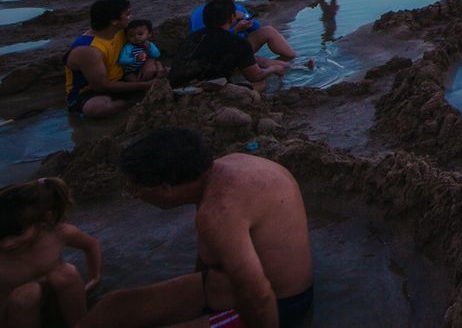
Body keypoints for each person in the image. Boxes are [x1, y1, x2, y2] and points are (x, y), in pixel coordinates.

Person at [81, 127, 314, 328]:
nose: (134, 195)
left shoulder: (219, 211)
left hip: (277, 306)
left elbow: (258, 296)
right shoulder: (221, 170)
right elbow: (207, 258)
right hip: (221, 287)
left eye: (136, 190)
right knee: (112, 308)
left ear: (166, 188)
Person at [0, 177, 101, 327]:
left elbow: (92, 245)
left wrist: (95, 278)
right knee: (28, 294)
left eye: (17, 233)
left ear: (42, 220)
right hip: (11, 314)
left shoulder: (57, 233)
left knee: (66, 273)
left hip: (49, 304)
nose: (6, 243)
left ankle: (79, 324)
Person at [64, 0, 156, 117]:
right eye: (127, 14)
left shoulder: (121, 32)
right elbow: (102, 86)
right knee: (98, 108)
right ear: (114, 21)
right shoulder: (89, 50)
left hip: (124, 77)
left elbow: (147, 46)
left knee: (163, 71)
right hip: (91, 91)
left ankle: (140, 96)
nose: (131, 17)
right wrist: (146, 85)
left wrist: (150, 63)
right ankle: (135, 102)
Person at [172, 0, 287, 89]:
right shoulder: (237, 42)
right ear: (232, 18)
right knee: (261, 83)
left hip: (175, 84)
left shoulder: (190, 38)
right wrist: (273, 69)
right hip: (204, 89)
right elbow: (255, 76)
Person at [191, 0, 297, 60]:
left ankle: (293, 58)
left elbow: (256, 28)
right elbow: (207, 42)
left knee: (268, 31)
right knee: (263, 63)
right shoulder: (202, 13)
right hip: (216, 53)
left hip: (239, 45)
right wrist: (236, 30)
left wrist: (245, 17)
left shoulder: (236, 7)